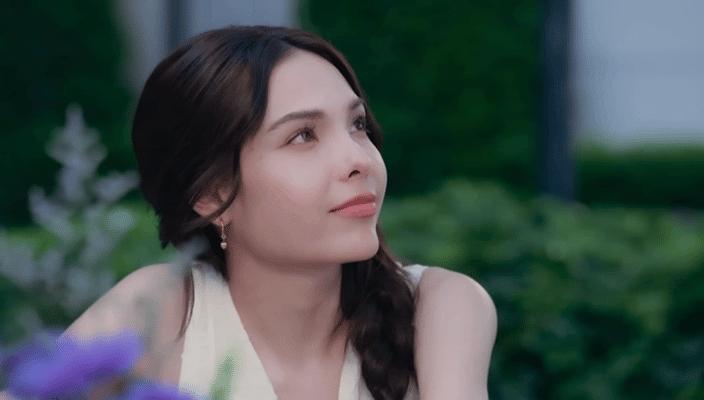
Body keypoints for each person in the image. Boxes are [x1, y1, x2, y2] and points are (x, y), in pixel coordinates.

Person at [61, 26, 497, 400]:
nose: (359, 159)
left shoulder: (438, 305)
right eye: (303, 135)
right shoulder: (165, 309)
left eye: (358, 124)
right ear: (211, 194)